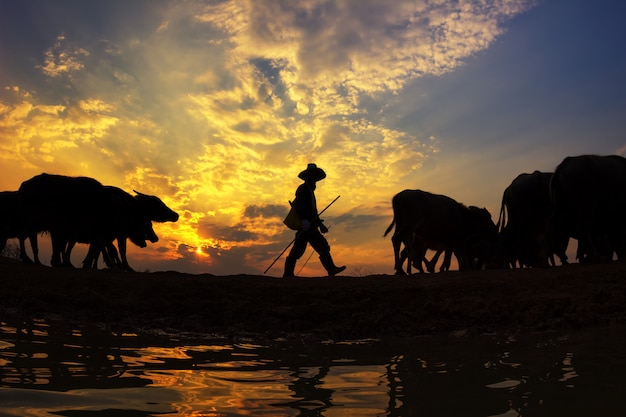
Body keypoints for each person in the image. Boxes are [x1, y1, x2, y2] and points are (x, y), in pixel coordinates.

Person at [283, 163, 346, 277]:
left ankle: (288, 274)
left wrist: (319, 224)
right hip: (307, 225)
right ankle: (331, 269)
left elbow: (313, 211)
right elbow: (301, 208)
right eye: (313, 176)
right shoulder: (303, 189)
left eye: (315, 177)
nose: (314, 179)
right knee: (320, 246)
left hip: (310, 225)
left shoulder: (309, 190)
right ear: (308, 177)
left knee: (301, 249)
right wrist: (304, 221)